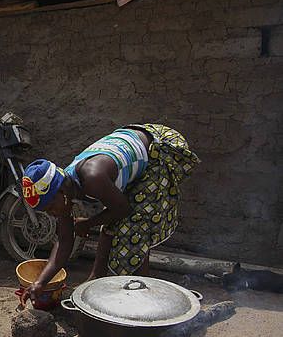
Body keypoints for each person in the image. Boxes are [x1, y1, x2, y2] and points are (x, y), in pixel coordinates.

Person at [20, 124, 199, 304]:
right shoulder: (64, 187)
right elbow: (65, 241)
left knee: (134, 230)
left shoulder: (93, 178)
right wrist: (40, 282)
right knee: (113, 219)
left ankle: (142, 299)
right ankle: (97, 279)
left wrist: (88, 223)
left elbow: (123, 209)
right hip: (136, 147)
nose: (52, 214)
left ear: (61, 192)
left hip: (159, 148)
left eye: (50, 208)